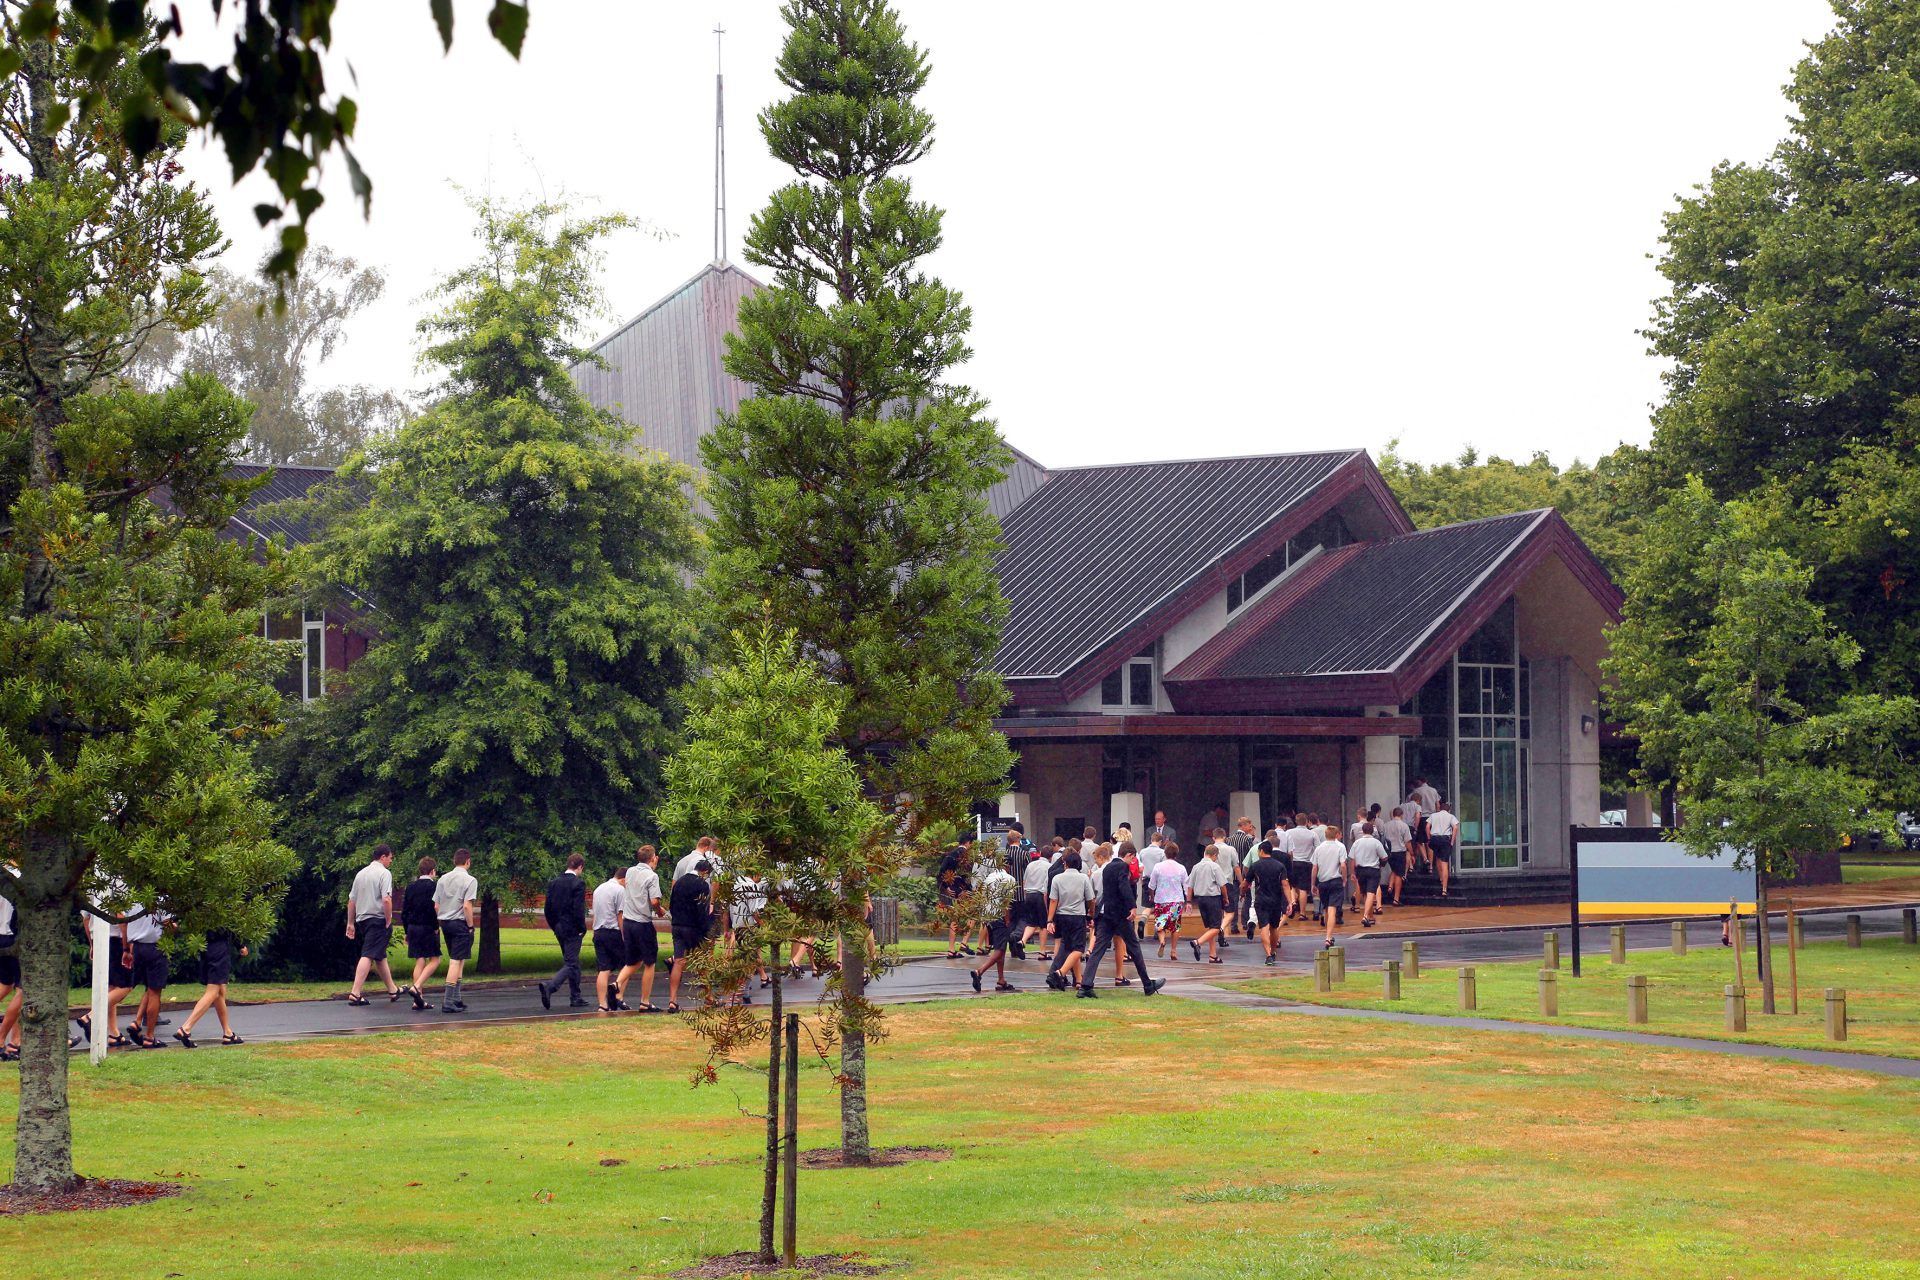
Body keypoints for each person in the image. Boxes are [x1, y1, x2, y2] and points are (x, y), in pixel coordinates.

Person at [1080, 843, 1164, 999]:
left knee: (1098, 950)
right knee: (1134, 947)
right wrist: (1132, 906)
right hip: (1119, 915)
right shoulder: (1122, 868)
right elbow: (1124, 887)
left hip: (1106, 914)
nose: (1133, 862)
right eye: (1133, 859)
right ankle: (1147, 984)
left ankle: (1085, 985)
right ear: (1130, 855)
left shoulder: (1107, 868)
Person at [345, 844, 400, 1007]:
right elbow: (386, 899)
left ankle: (392, 989)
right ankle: (355, 993)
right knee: (369, 954)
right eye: (390, 858)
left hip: (363, 920)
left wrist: (350, 923)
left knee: (379, 954)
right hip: (378, 918)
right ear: (383, 857)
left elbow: (352, 901)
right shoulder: (384, 873)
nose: (390, 861)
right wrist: (388, 919)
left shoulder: (361, 874)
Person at [172, 929, 247, 1047]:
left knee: (220, 992)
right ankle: (186, 1028)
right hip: (219, 949)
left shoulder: (199, 909)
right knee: (212, 992)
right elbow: (228, 926)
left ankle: (228, 1033)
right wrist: (240, 945)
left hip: (205, 947)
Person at [537, 853, 589, 1010]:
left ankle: (576, 996)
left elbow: (548, 909)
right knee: (571, 962)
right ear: (580, 867)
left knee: (573, 961)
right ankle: (550, 986)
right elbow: (578, 909)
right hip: (573, 928)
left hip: (559, 927)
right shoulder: (578, 884)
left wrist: (555, 925)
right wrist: (582, 928)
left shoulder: (554, 882)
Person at [617, 845, 665, 1013]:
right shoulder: (652, 876)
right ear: (652, 858)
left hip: (628, 921)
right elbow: (654, 901)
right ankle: (644, 1001)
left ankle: (616, 988)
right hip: (642, 922)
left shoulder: (629, 871)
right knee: (649, 962)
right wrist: (659, 911)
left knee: (632, 960)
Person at [667, 858, 715, 1014]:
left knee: (679, 962)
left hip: (677, 926)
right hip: (694, 927)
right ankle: (709, 998)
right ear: (705, 872)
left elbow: (672, 904)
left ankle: (673, 1000)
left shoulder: (679, 882)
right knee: (702, 963)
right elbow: (702, 910)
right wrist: (706, 930)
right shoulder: (702, 884)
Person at [434, 848, 479, 1012]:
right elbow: (467, 906)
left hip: (445, 921)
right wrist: (470, 926)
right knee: (455, 961)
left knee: (459, 959)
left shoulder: (443, 879)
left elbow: (436, 905)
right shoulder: (470, 880)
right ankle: (448, 1001)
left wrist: (441, 919)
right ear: (468, 861)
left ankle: (457, 998)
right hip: (460, 922)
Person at [1043, 849, 1095, 991]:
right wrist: (1091, 913)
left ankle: (1078, 979)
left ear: (1065, 864)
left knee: (1068, 947)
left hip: (1061, 915)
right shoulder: (1083, 878)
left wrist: (1049, 920)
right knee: (1078, 949)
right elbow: (1090, 899)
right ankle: (1060, 973)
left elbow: (1053, 900)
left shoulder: (1057, 878)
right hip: (1077, 915)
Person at [123, 903, 172, 1049]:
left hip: (137, 947)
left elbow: (125, 921)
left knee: (148, 988)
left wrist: (126, 947)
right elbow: (167, 922)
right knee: (155, 991)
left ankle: (137, 1021)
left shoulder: (132, 898)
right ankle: (150, 1036)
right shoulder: (159, 898)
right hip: (155, 947)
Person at [968, 861, 1020, 993]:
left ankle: (1001, 979)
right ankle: (979, 971)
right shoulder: (1010, 879)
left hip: (987, 916)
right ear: (1008, 866)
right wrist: (1007, 919)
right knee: (999, 950)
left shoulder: (989, 877)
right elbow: (1006, 902)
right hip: (999, 916)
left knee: (1000, 947)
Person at [400, 856, 440, 1011]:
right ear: (432, 871)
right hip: (428, 927)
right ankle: (416, 987)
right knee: (435, 959)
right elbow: (434, 908)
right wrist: (436, 926)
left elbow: (405, 912)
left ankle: (418, 1001)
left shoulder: (411, 887)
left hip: (412, 927)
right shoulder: (434, 887)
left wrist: (406, 931)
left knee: (420, 961)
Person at [590, 864, 629, 1012]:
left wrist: (594, 931)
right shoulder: (620, 890)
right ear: (624, 879)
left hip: (599, 931)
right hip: (613, 932)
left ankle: (602, 1004)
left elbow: (595, 912)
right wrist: (625, 936)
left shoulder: (598, 889)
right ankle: (618, 997)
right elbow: (620, 915)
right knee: (627, 965)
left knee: (604, 968)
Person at [1246, 837, 1290, 966]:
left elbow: (1246, 883)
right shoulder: (1280, 866)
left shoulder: (1255, 866)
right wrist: (1290, 901)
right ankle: (1274, 950)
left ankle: (1268, 954)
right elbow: (1285, 885)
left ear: (1261, 851)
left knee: (1263, 927)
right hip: (1275, 900)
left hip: (1261, 900)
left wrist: (1242, 892)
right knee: (1274, 928)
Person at [1147, 841, 1190, 959]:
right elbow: (1186, 885)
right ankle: (1174, 950)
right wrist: (1188, 900)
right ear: (1176, 854)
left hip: (1161, 899)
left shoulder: (1158, 867)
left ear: (1165, 853)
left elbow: (1152, 885)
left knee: (1160, 924)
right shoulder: (1181, 868)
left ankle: (1162, 941)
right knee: (1175, 926)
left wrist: (1151, 895)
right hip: (1176, 900)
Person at [1188, 841, 1229, 963]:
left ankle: (1213, 955)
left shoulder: (1196, 866)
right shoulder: (1214, 866)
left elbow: (1190, 886)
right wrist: (1226, 898)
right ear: (1215, 855)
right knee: (1216, 927)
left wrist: (1189, 901)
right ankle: (1197, 942)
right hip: (1213, 898)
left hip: (1200, 899)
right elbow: (1222, 885)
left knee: (1211, 927)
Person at [1312, 825, 1350, 949]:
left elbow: (1314, 867)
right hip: (1335, 880)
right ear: (1336, 834)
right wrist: (1344, 878)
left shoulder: (1319, 848)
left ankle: (1328, 934)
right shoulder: (1340, 846)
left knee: (1326, 908)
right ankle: (1328, 937)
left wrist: (1313, 883)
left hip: (1323, 882)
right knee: (1332, 908)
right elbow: (1343, 865)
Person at [937, 835, 974, 958]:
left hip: (951, 890)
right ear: (968, 843)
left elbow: (941, 872)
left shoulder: (950, 855)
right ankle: (963, 942)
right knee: (972, 915)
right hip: (962, 891)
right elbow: (967, 876)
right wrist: (967, 890)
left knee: (954, 918)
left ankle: (951, 949)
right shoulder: (966, 856)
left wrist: (946, 887)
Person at [1350, 822, 1387, 927]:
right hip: (1373, 870)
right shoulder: (1376, 843)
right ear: (1372, 831)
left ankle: (1370, 916)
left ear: (1362, 830)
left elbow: (1352, 859)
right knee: (1371, 893)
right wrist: (1381, 864)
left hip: (1360, 870)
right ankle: (1366, 916)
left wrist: (1353, 872)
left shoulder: (1357, 843)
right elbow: (1384, 857)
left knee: (1365, 893)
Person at [1285, 814, 1318, 921]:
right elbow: (1318, 848)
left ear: (1296, 821)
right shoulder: (1312, 834)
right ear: (1307, 821)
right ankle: (1302, 913)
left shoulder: (1289, 833)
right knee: (1304, 888)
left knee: (1292, 885)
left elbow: (1286, 847)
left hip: (1293, 862)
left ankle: (1293, 902)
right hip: (1306, 863)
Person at [1227, 818, 1256, 935]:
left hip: (1232, 874)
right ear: (1243, 826)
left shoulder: (1229, 840)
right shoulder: (1247, 839)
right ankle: (1245, 921)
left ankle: (1233, 925)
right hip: (1245, 874)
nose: (1250, 828)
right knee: (1248, 898)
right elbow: (1251, 857)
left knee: (1233, 900)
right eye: (1249, 825)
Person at [1381, 807, 1414, 908]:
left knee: (1394, 870)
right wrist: (1412, 853)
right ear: (1401, 815)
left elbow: (1383, 838)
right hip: (1400, 852)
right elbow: (1407, 841)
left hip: (1389, 852)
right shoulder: (1404, 826)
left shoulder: (1386, 825)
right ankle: (1396, 898)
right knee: (1399, 874)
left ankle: (1390, 887)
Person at [1426, 802, 1459, 898]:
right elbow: (1455, 827)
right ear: (1448, 809)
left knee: (1438, 858)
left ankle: (1441, 878)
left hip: (1434, 839)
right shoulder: (1450, 816)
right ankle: (1444, 889)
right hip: (1445, 839)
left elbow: (1427, 827)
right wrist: (1452, 841)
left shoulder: (1433, 815)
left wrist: (1429, 838)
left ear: (1440, 808)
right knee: (1445, 863)